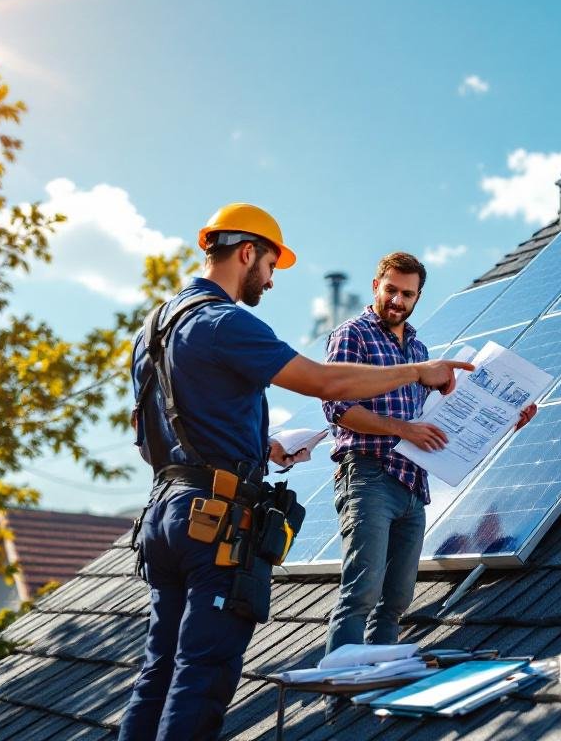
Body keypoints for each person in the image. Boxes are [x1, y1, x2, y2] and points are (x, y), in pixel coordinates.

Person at [118, 207, 472, 741]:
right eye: (270, 264)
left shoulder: (155, 328)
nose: (271, 277)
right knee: (201, 677)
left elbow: (162, 433)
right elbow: (323, 382)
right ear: (246, 253)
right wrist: (419, 371)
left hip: (165, 514)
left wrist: (265, 448)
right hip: (212, 525)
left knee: (158, 671)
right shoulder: (225, 322)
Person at [322, 252, 535, 653]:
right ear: (375, 287)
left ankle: (373, 685)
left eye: (407, 294)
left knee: (396, 601)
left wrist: (506, 418)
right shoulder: (353, 334)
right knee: (361, 593)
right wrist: (403, 429)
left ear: (418, 297)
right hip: (369, 476)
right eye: (391, 291)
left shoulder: (420, 350)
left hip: (412, 484)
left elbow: (445, 422)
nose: (397, 301)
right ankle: (339, 698)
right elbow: (338, 408)